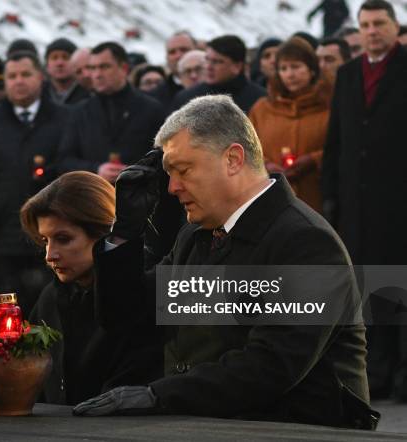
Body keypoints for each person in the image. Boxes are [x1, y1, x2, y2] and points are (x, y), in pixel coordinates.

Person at [72, 95, 377, 429]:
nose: (172, 188)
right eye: (168, 174)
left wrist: (158, 395)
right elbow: (127, 317)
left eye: (183, 170)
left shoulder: (305, 241)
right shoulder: (197, 234)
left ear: (233, 159)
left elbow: (271, 366)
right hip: (217, 424)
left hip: (298, 430)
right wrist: (125, 235)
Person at [321, 0, 407, 400]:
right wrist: (332, 196)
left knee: (400, 287)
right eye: (366, 24)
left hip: (397, 200)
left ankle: (402, 372)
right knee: (370, 286)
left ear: (394, 25)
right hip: (357, 202)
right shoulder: (349, 73)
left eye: (379, 23)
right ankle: (377, 372)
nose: (372, 30)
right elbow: (337, 138)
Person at [21, 171, 162, 405]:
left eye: (63, 239)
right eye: (45, 241)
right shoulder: (52, 296)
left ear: (103, 232)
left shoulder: (147, 287)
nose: (50, 255)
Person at [0, 50, 68, 316]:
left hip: (54, 228)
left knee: (52, 302)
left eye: (25, 74)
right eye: (12, 76)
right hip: (4, 228)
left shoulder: (64, 117)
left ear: (40, 77)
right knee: (7, 307)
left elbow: (70, 164)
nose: (18, 81)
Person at [58, 41, 164, 183]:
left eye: (104, 67)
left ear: (124, 68)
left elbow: (165, 158)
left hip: (140, 196)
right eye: (93, 68)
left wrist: (135, 172)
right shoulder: (79, 112)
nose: (97, 74)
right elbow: (64, 161)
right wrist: (96, 169)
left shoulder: (151, 109)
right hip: (95, 197)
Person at [249, 37, 333, 213]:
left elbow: (342, 147)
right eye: (283, 68)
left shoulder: (330, 105)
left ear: (311, 69)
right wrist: (265, 165)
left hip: (318, 199)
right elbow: (246, 147)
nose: (290, 74)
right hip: (271, 200)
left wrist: (314, 160)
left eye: (296, 67)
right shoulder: (262, 109)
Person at [172, 35, 266, 113]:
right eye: (207, 60)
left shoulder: (261, 101)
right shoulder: (187, 99)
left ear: (237, 66)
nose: (208, 67)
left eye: (217, 62)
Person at [150, 31, 196, 107]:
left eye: (184, 50)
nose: (178, 56)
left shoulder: (217, 88)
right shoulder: (154, 98)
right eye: (172, 52)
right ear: (166, 58)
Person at [44, 38, 90, 105]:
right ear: (47, 65)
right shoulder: (37, 94)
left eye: (66, 57)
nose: (60, 63)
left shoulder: (89, 92)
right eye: (54, 58)